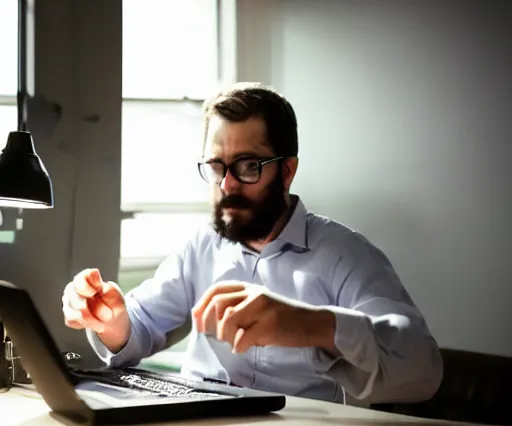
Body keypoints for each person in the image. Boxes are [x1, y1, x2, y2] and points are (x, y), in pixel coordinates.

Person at [62, 82, 442, 406]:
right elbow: (140, 325)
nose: (227, 185)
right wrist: (111, 320)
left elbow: (423, 365)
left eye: (248, 166)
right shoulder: (201, 247)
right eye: (216, 166)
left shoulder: (345, 254)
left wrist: (310, 324)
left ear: (287, 171)